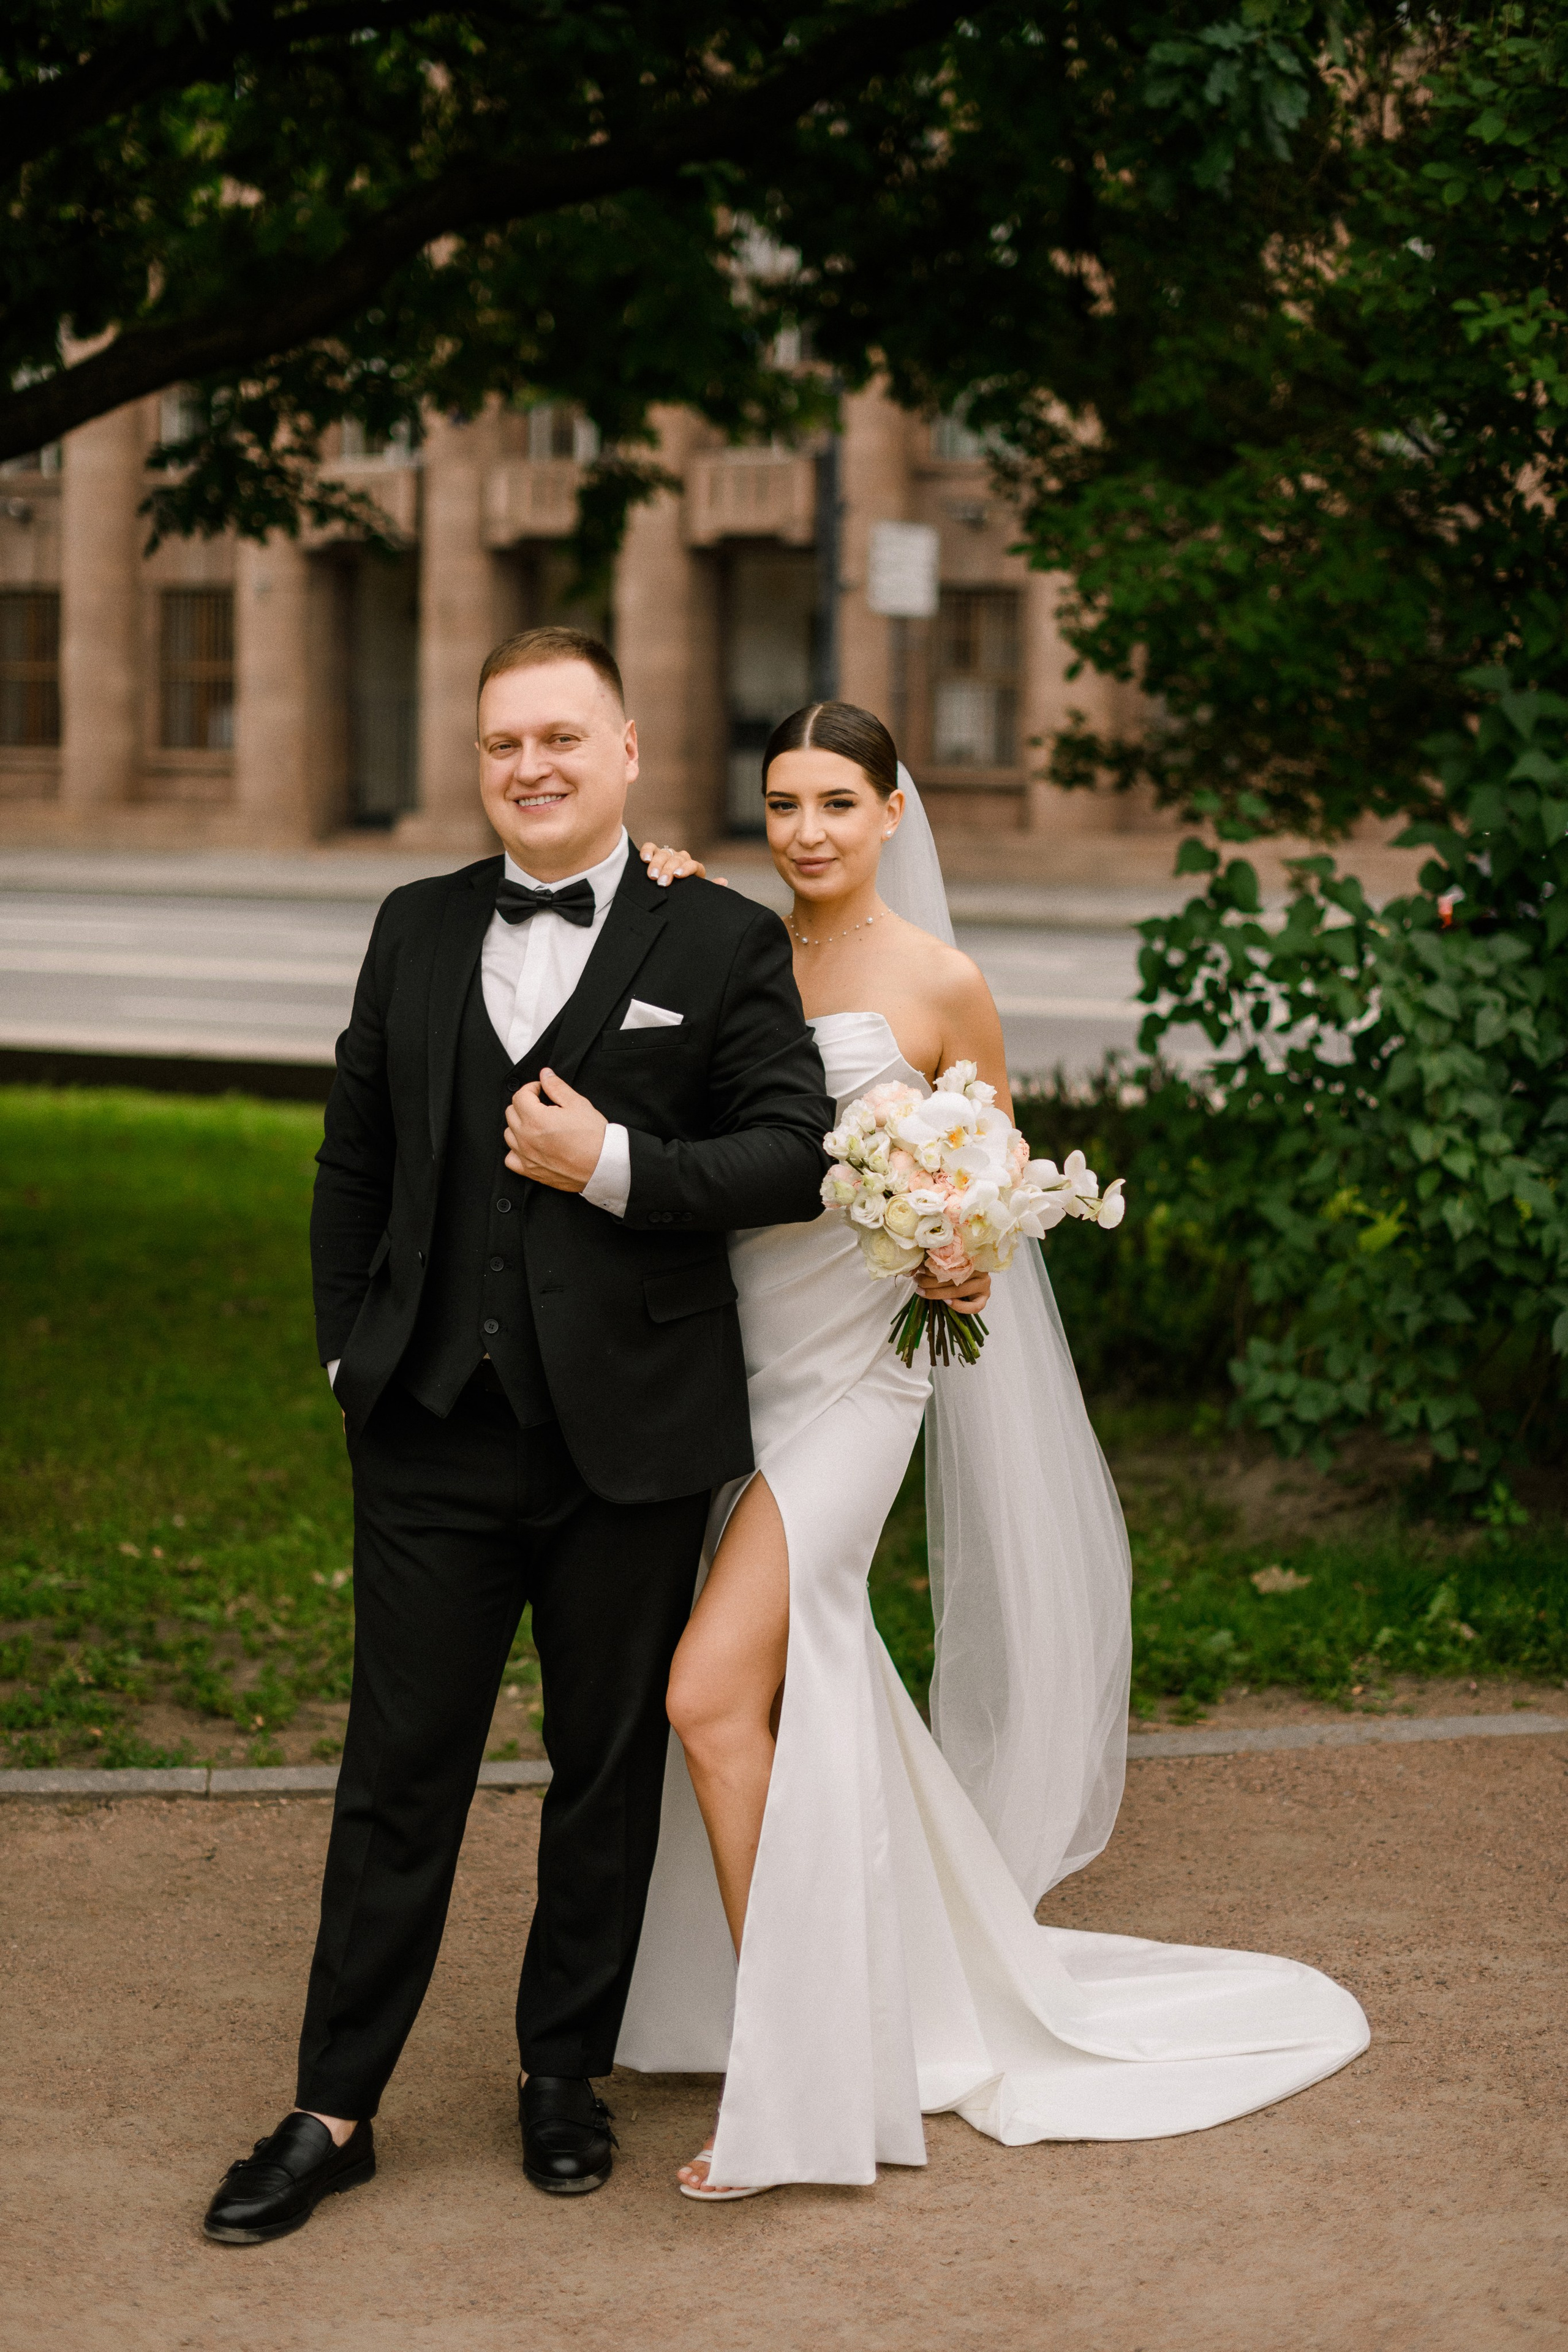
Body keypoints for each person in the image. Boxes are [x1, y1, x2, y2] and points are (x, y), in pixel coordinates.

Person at [614, 699, 1370, 2199]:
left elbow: (996, 1182)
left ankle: (801, 2070)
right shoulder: (726, 948)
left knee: (708, 1692)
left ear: (895, 812)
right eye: (782, 803)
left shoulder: (941, 983)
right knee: (811, 1687)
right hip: (734, 1358)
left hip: (858, 1382)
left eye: (837, 800)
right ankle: (867, 1982)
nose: (807, 831)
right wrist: (652, 891)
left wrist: (960, 1250)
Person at [202, 628, 834, 2243]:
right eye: (502, 744)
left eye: (562, 736)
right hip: (426, 1429)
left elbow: (790, 1153)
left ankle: (565, 2075)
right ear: (477, 763)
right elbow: (352, 1155)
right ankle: (332, 2108)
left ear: (627, 749)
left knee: (604, 1773)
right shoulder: (411, 930)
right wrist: (351, 1356)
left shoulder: (720, 937)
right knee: (394, 1772)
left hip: (629, 1437)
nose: (531, 766)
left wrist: (618, 1162)